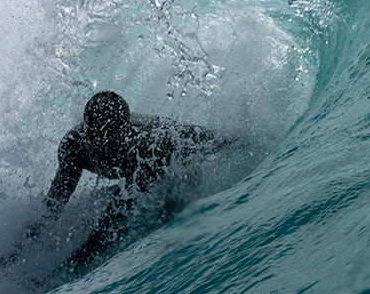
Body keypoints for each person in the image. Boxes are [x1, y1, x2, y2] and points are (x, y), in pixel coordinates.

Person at [13, 91, 234, 271]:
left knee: (163, 207)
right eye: (92, 136)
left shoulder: (149, 147)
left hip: (179, 161)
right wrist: (16, 253)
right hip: (140, 170)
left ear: (125, 131)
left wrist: (62, 272)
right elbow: (53, 206)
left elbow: (111, 224)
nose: (97, 146)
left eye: (107, 138)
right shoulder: (74, 146)